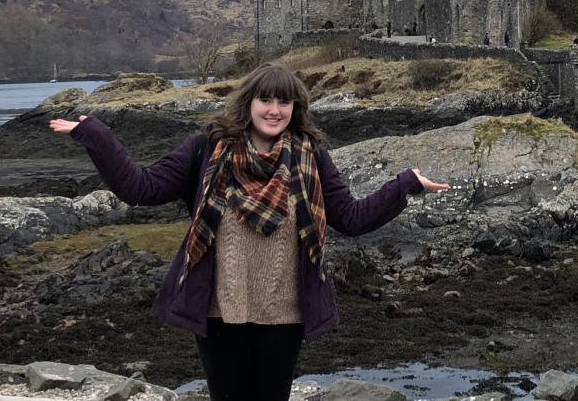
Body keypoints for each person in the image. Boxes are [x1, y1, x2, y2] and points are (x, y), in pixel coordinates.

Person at [49, 63, 448, 401]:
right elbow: (141, 188)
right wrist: (95, 135)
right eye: (266, 100)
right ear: (248, 103)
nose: (274, 110)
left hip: (285, 312)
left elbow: (351, 217)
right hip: (221, 310)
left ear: (296, 107)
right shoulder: (206, 150)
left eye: (284, 101)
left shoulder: (311, 156)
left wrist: (405, 183)